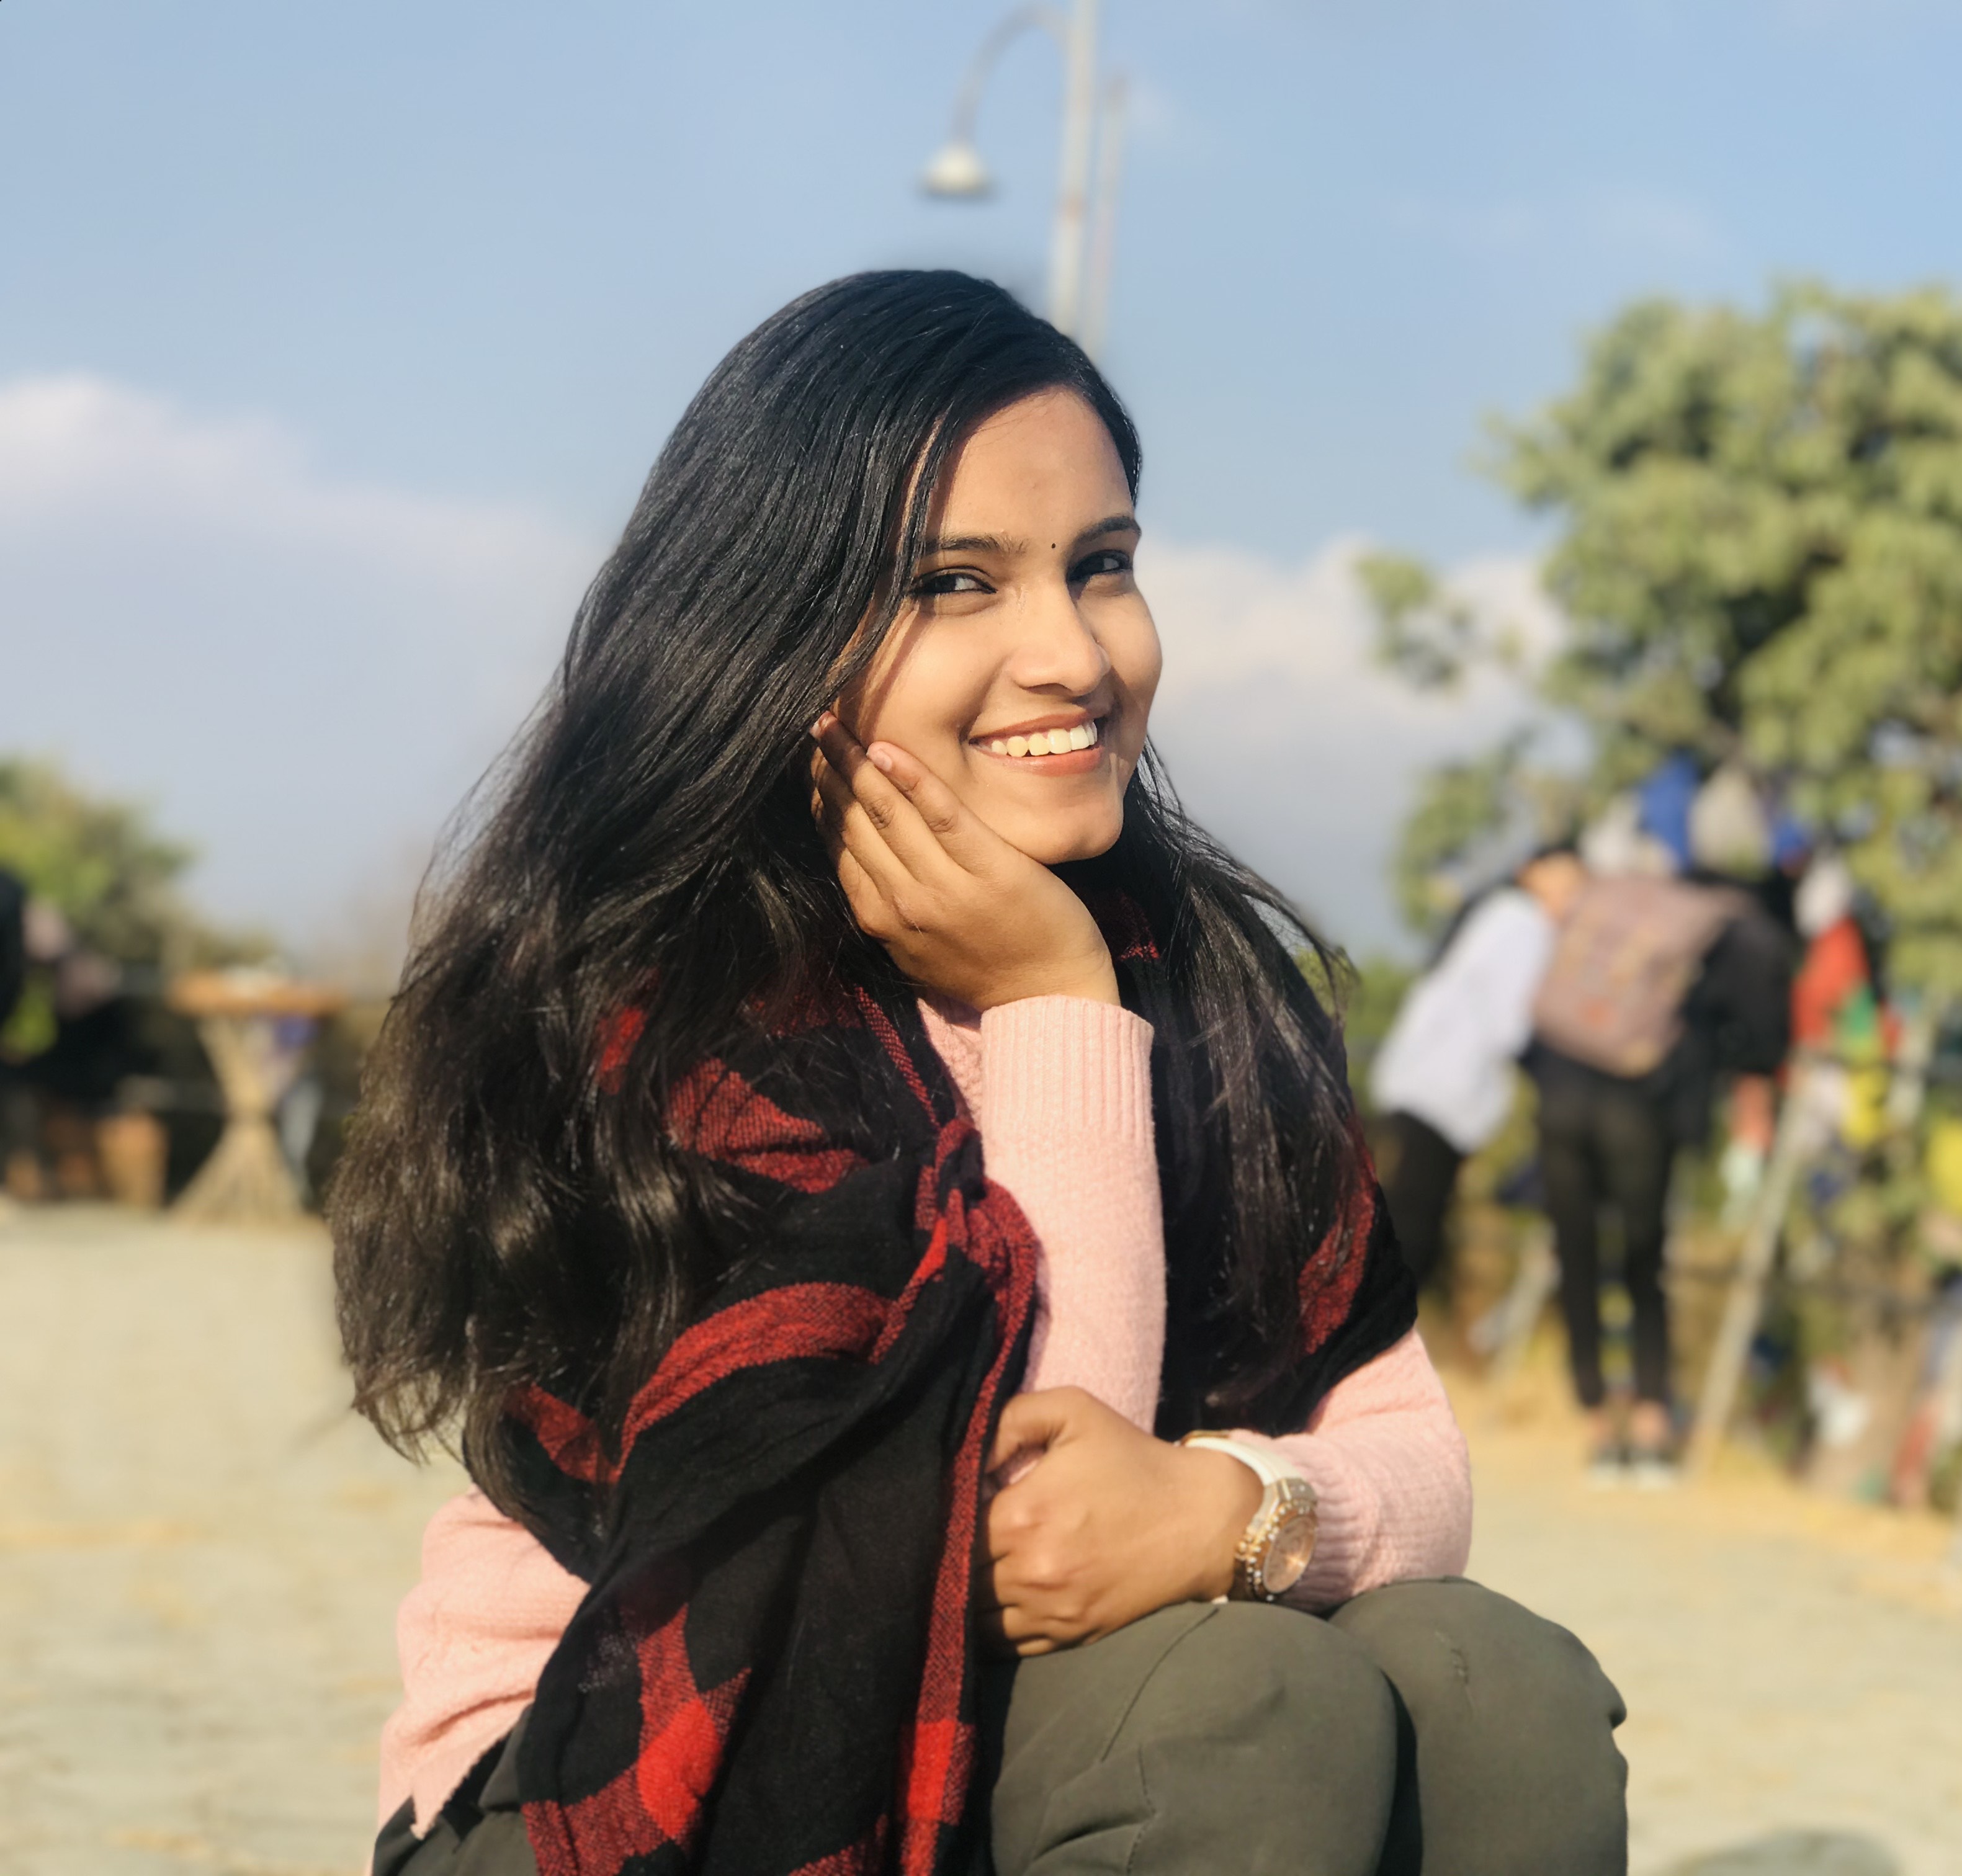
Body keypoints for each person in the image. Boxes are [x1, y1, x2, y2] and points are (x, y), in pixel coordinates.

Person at [329, 272, 1626, 1876]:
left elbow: (1416, 1456)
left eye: (1103, 566)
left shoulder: (1205, 981)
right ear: (775, 633)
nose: (1070, 653)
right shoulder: (676, 1014)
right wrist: (1051, 1003)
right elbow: (1000, 1537)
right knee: (1240, 1705)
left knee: (1498, 1692)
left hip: (1036, 1732)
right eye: (956, 584)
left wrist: (1230, 1511)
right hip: (624, 1788)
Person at [1526, 802, 1792, 1486]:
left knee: (1576, 1255)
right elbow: (1760, 1029)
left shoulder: (1626, 899)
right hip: (1639, 1106)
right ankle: (1650, 1420)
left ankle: (1595, 1420)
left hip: (1561, 1090)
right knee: (1644, 1263)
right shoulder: (1724, 921)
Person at [1370, 847, 1583, 1289]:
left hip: (1426, 1078)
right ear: (1530, 872)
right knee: (1415, 1222)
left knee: (1405, 1211)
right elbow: (1511, 1025)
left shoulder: (1497, 915)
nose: (1570, 895)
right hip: (1447, 1088)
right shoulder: (1525, 925)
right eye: (1563, 881)